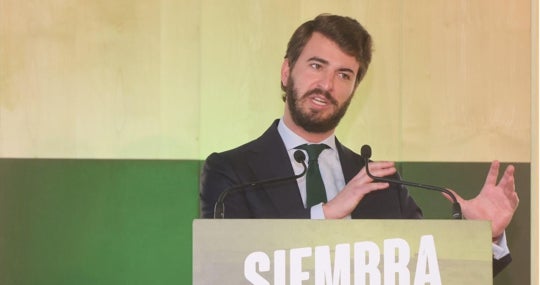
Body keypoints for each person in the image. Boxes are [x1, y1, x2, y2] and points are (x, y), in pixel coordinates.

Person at [199, 14, 519, 276]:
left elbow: (429, 271)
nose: (326, 85)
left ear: (354, 89)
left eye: (344, 75)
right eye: (316, 65)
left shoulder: (381, 183)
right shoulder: (232, 173)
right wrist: (325, 215)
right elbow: (226, 268)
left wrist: (480, 236)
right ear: (286, 72)